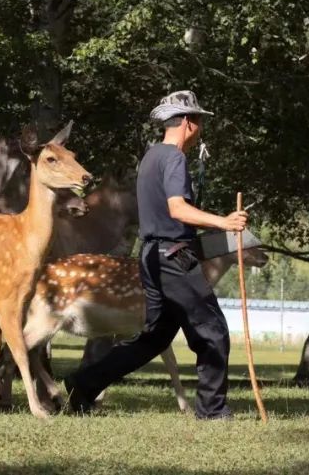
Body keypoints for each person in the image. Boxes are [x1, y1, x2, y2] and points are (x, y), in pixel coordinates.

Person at [64, 90, 247, 420]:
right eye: (200, 122)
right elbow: (178, 209)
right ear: (189, 123)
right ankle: (213, 410)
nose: (201, 129)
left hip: (152, 257)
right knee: (213, 331)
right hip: (175, 258)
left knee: (153, 339)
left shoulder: (150, 158)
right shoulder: (175, 159)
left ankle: (84, 383)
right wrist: (224, 222)